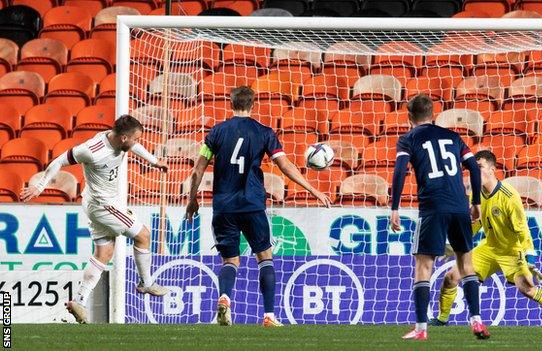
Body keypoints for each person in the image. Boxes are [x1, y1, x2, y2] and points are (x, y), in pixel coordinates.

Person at [185, 86, 331, 327]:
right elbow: (285, 166)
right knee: (265, 258)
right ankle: (270, 316)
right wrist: (313, 190)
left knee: (230, 261)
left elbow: (197, 169)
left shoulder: (216, 132)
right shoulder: (264, 132)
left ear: (230, 103)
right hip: (252, 204)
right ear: (253, 105)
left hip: (224, 207)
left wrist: (192, 199)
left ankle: (224, 298)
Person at [20, 115, 170, 324]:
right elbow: (59, 160)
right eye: (135, 139)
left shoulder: (120, 141)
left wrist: (154, 162)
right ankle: (147, 282)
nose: (137, 143)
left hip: (94, 203)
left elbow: (134, 147)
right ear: (124, 137)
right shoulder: (91, 150)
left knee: (103, 254)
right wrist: (40, 186)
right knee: (143, 235)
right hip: (104, 206)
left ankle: (79, 301)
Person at [429, 150, 542, 328]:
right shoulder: (476, 194)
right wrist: (454, 244)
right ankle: (442, 319)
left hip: (512, 250)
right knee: (451, 278)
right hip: (488, 248)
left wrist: (530, 259)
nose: (474, 171)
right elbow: (475, 224)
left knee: (527, 288)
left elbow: (523, 231)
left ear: (492, 169)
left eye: (479, 167)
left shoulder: (509, 196)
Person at [389, 94, 489, 341]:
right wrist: (475, 202)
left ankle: (421, 328)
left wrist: (395, 207)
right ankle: (476, 320)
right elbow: (474, 167)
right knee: (466, 263)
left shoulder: (408, 138)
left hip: (433, 206)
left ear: (409, 117)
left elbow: (400, 170)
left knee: (423, 266)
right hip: (459, 205)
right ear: (432, 114)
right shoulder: (453, 137)